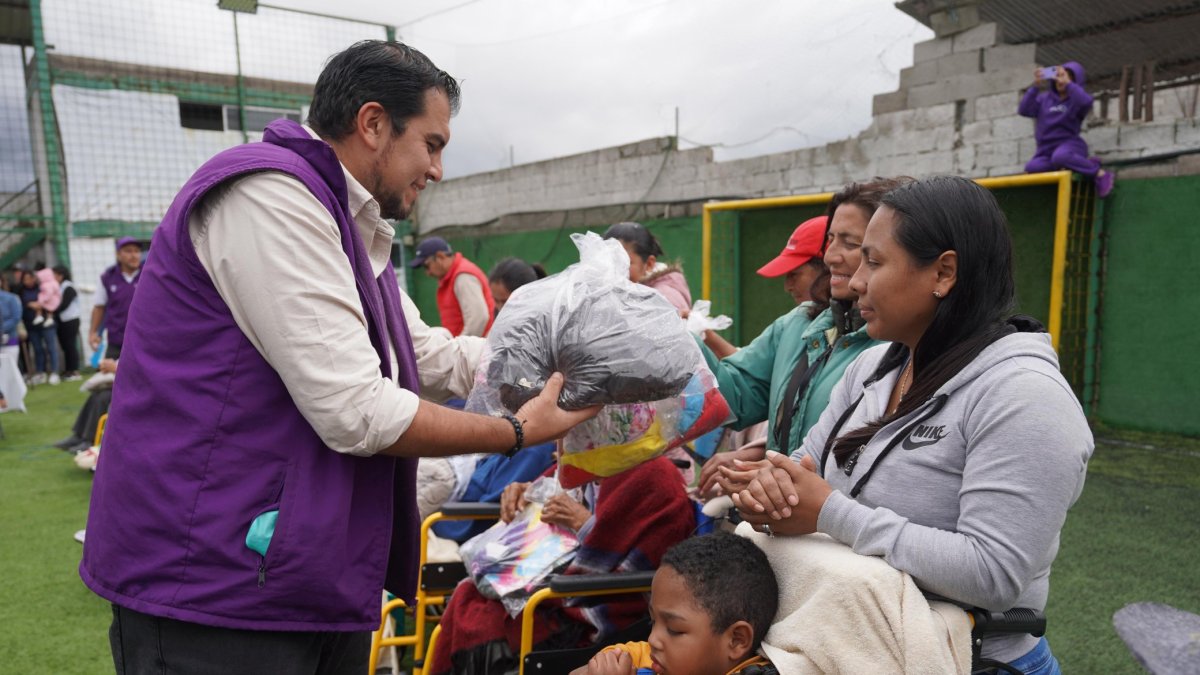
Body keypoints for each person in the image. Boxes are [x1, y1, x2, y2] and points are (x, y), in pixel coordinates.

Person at [79, 40, 598, 675]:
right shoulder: (270, 196)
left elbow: (426, 352)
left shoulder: (346, 219)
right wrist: (516, 430)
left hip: (297, 577)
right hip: (214, 587)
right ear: (374, 124)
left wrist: (566, 364)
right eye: (431, 144)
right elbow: (358, 412)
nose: (436, 170)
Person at [730, 176, 1093, 673]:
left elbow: (994, 573)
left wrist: (832, 513)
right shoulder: (873, 366)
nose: (855, 281)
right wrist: (774, 488)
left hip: (974, 662)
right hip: (850, 646)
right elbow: (804, 468)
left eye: (874, 262)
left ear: (943, 272)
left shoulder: (1024, 395)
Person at [696, 179, 900, 499]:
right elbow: (734, 393)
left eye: (849, 242)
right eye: (830, 240)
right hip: (787, 522)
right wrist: (678, 340)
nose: (831, 255)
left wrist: (770, 467)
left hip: (839, 532)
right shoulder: (801, 324)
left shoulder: (899, 343)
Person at [427, 455, 696, 675]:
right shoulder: (582, 460)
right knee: (471, 600)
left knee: (485, 617)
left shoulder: (653, 475)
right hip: (556, 590)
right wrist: (525, 496)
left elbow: (645, 573)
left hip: (604, 609)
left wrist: (584, 524)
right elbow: (542, 496)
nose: (561, 446)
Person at [571, 531, 779, 675]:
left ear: (736, 640)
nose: (653, 639)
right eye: (653, 622)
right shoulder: (655, 659)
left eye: (674, 630)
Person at [702, 216, 829, 360]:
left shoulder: (853, 335)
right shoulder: (791, 323)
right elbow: (747, 368)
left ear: (829, 270)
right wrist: (704, 335)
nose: (787, 287)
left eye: (794, 274)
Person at [1019, 62, 1114, 197]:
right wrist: (1035, 86)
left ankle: (1100, 173)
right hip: (1045, 150)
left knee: (1061, 157)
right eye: (1058, 76)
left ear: (1075, 81)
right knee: (1033, 167)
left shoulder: (1076, 101)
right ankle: (1080, 163)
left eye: (1066, 77)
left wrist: (1069, 85)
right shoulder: (1044, 99)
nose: (1060, 80)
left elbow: (1087, 102)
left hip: (1070, 145)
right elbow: (1024, 110)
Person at [411, 236, 495, 336]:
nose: (427, 273)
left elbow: (479, 318)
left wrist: (460, 348)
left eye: (427, 266)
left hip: (477, 348)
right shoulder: (453, 277)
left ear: (440, 256)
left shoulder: (462, 277)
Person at [88, 237, 143, 360]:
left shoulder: (149, 274)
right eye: (128, 251)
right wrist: (93, 333)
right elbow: (99, 307)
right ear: (118, 255)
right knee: (112, 377)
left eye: (136, 251)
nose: (133, 255)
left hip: (145, 339)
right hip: (117, 341)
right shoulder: (108, 277)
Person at [19, 269, 59, 385]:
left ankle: (54, 372)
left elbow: (49, 300)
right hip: (31, 324)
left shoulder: (42, 287)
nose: (28, 281)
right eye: (25, 279)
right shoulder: (22, 290)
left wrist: (38, 305)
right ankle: (40, 373)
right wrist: (33, 304)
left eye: (29, 278)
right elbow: (25, 304)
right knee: (37, 349)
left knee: (51, 348)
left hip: (46, 323)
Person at [0, 276, 25, 413]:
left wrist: (2, 330)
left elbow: (16, 317)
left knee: (11, 371)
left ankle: (15, 401)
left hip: (9, 339)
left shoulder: (10, 298)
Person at [53, 265, 82, 380]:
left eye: (55, 275)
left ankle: (74, 371)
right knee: (65, 346)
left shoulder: (69, 287)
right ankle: (68, 370)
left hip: (71, 320)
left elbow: (64, 304)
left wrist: (51, 310)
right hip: (63, 321)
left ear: (61, 276)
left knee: (70, 345)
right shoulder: (60, 287)